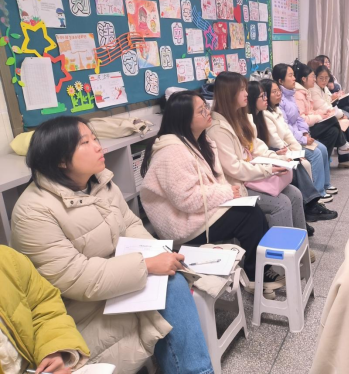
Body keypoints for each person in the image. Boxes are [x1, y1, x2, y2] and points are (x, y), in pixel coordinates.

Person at [10, 116, 214, 374]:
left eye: (95, 138)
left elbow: (129, 223)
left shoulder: (98, 181)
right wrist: (147, 265)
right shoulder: (33, 212)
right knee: (171, 287)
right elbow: (77, 278)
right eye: (85, 142)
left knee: (172, 278)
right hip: (83, 307)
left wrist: (159, 255)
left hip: (118, 281)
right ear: (61, 160)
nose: (98, 146)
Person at [139, 91, 284, 298]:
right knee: (249, 217)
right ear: (185, 119)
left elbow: (216, 180)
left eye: (206, 107)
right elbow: (186, 199)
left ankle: (261, 271)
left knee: (253, 211)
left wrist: (232, 193)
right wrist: (227, 192)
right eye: (201, 111)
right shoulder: (171, 152)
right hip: (183, 223)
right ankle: (256, 276)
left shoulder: (200, 141)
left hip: (202, 209)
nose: (208, 113)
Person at [207, 72, 308, 236]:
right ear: (229, 93)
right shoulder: (218, 129)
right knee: (281, 204)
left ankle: (300, 244)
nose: (247, 93)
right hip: (238, 185)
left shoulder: (238, 118)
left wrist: (280, 159)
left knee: (295, 194)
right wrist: (268, 169)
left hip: (252, 176)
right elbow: (234, 169)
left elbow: (256, 147)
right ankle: (281, 251)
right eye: (242, 90)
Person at [247, 81, 337, 221]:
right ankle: (312, 201)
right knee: (307, 157)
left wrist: (297, 148)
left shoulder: (273, 111)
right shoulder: (256, 117)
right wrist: (289, 151)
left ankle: (316, 196)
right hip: (270, 153)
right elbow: (271, 142)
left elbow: (290, 129)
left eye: (278, 91)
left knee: (323, 144)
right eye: (264, 95)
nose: (278, 94)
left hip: (283, 146)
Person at [0, 245, 90, 374]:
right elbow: (85, 278)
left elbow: (44, 305)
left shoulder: (7, 259)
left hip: (40, 362)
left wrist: (53, 348)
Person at [273, 63, 349, 170]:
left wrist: (322, 114)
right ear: (304, 79)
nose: (315, 80)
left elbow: (305, 115)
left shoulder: (301, 92)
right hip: (302, 131)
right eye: (313, 77)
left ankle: (332, 162)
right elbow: (298, 121)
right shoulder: (297, 94)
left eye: (293, 75)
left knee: (334, 130)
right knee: (334, 119)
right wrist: (317, 120)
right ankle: (344, 146)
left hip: (304, 129)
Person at [309, 65, 349, 161]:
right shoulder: (311, 90)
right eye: (321, 78)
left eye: (326, 78)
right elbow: (323, 108)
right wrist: (341, 114)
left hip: (322, 116)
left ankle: (345, 152)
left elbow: (328, 102)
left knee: (344, 114)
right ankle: (346, 147)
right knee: (337, 122)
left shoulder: (323, 88)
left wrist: (334, 97)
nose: (324, 81)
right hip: (315, 122)